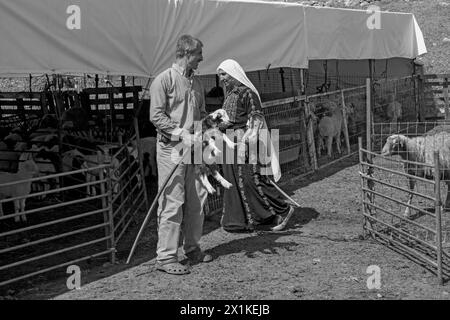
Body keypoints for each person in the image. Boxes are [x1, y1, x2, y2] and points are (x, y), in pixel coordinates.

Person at [149, 34, 212, 275]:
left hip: (194, 149)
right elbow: (156, 116)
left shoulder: (197, 84)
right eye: (198, 54)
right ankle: (166, 257)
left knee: (198, 199)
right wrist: (179, 133)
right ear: (186, 53)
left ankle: (193, 247)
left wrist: (208, 125)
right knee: (172, 201)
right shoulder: (163, 81)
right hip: (171, 149)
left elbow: (201, 113)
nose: (202, 59)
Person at [216, 59, 294, 233]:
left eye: (224, 74)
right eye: (219, 75)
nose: (221, 79)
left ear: (234, 73)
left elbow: (256, 120)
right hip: (230, 142)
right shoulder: (229, 94)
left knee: (253, 179)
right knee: (233, 182)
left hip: (245, 143)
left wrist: (246, 143)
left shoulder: (248, 93)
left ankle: (282, 210)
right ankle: (237, 221)